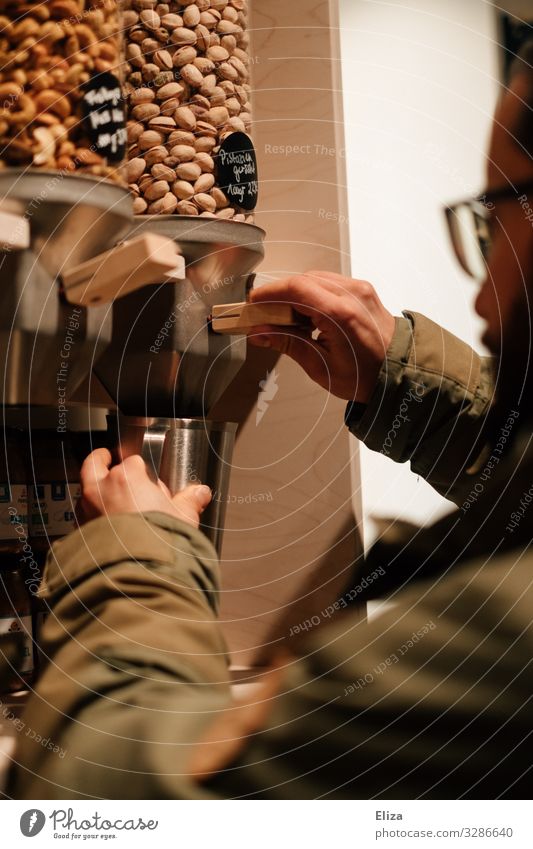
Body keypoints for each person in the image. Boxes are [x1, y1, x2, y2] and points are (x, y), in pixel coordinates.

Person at [4, 42, 533, 799]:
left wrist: (132, 557)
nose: (481, 296)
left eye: (495, 219)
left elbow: (117, 794)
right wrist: (412, 384)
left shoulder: (506, 639)